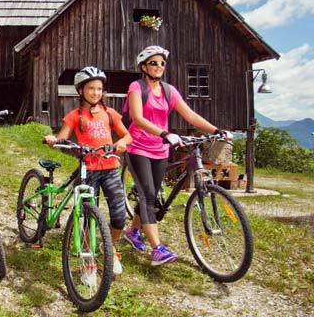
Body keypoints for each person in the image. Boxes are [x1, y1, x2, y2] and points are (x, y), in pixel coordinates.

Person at [123, 45, 232, 265]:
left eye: (162, 63)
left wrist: (215, 130)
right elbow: (137, 118)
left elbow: (190, 115)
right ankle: (157, 249)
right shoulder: (136, 87)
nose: (159, 67)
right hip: (139, 147)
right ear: (144, 66)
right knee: (148, 195)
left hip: (161, 149)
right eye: (154, 63)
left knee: (150, 195)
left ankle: (133, 231)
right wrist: (165, 132)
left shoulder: (168, 90)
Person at [44, 66, 132, 276]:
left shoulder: (110, 114)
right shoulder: (75, 116)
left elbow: (127, 136)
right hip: (88, 170)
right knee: (87, 217)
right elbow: (63, 139)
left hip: (110, 169)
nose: (96, 93)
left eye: (99, 89)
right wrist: (53, 140)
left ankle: (109, 247)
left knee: (119, 217)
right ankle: (88, 260)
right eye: (91, 88)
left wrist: (121, 143)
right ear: (81, 91)